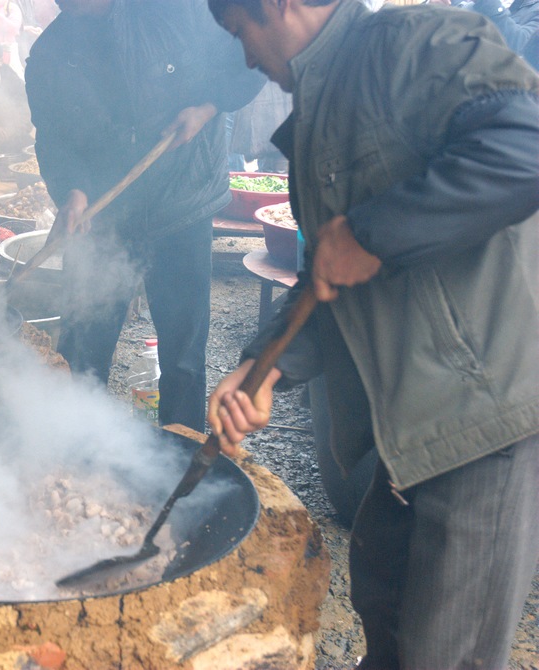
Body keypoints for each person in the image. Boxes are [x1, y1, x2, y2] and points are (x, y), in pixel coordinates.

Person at [205, 0, 539, 667]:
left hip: (478, 417)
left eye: (242, 32)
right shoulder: (319, 111)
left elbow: (524, 149)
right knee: (385, 619)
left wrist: (374, 233)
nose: (245, 57)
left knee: (446, 653)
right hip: (400, 428)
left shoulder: (415, 41)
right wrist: (265, 366)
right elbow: (328, 279)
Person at [25, 0, 264, 433]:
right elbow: (54, 139)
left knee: (184, 355)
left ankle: (180, 459)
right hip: (103, 219)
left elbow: (251, 54)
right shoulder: (50, 52)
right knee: (81, 350)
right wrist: (72, 191)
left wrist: (207, 107)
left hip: (182, 205)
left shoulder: (176, 10)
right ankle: (77, 454)